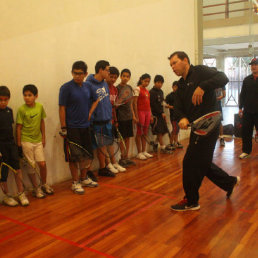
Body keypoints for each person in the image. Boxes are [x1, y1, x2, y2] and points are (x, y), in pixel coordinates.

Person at [168, 51, 240, 211]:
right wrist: (182, 119)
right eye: (171, 65)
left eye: (175, 63)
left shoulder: (200, 71)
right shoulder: (180, 85)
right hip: (197, 129)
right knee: (202, 162)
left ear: (185, 60)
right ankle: (229, 182)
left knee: (189, 162)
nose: (172, 67)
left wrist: (202, 86)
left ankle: (191, 201)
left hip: (209, 127)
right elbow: (179, 108)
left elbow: (223, 78)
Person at [59, 61, 97, 195]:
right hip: (72, 128)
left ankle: (84, 178)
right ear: (72, 73)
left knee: (87, 155)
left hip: (85, 126)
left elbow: (96, 99)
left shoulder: (87, 86)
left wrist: (90, 113)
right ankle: (75, 183)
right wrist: (64, 127)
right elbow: (62, 108)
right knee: (74, 157)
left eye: (80, 74)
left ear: (85, 74)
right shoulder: (66, 88)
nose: (77, 76)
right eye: (75, 73)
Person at [16, 84, 54, 198]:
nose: (27, 97)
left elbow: (42, 122)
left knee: (42, 164)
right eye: (25, 95)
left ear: (36, 96)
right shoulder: (21, 109)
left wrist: (43, 137)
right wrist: (19, 144)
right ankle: (36, 188)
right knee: (31, 166)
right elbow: (18, 127)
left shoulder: (40, 107)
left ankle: (44, 184)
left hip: (37, 140)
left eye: (29, 95)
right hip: (26, 141)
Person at [86, 60, 116, 177]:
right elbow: (88, 103)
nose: (109, 72)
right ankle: (87, 172)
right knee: (92, 148)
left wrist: (109, 116)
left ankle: (102, 168)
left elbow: (106, 101)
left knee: (103, 146)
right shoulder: (88, 84)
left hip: (106, 120)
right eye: (107, 70)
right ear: (100, 70)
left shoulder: (104, 84)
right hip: (95, 122)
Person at [0, 86, 29, 206]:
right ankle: (6, 196)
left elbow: (11, 128)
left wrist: (16, 146)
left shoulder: (9, 111)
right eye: (0, 100)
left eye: (5, 100)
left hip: (11, 144)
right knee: (3, 172)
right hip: (1, 147)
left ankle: (21, 193)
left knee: (17, 169)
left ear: (9, 99)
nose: (3, 102)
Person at [105, 66, 126, 173]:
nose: (113, 79)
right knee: (105, 144)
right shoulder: (103, 88)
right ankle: (108, 164)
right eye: (111, 77)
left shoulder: (115, 89)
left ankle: (114, 163)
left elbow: (114, 107)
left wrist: (116, 120)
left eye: (115, 77)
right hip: (104, 120)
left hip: (112, 120)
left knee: (111, 143)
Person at [238, 57, 258, 159]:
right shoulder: (247, 80)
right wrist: (240, 108)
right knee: (246, 132)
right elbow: (242, 95)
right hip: (248, 111)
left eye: (255, 64)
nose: (253, 66)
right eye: (252, 65)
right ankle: (246, 151)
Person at [116, 69, 136, 167]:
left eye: (127, 76)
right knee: (122, 138)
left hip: (129, 117)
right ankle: (121, 158)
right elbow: (116, 104)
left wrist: (133, 115)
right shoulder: (117, 88)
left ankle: (126, 157)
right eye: (123, 76)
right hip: (120, 117)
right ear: (120, 76)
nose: (125, 78)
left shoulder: (129, 87)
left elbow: (131, 104)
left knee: (128, 138)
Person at [149, 75, 172, 153]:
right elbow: (153, 105)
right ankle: (162, 147)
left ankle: (155, 143)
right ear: (155, 82)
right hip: (155, 115)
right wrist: (161, 112)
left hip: (161, 114)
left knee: (164, 131)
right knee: (159, 131)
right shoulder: (151, 92)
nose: (160, 84)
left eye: (161, 83)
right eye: (158, 82)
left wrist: (166, 106)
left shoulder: (161, 91)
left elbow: (162, 102)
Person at [133, 73, 153, 160]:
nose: (147, 83)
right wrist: (136, 115)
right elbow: (134, 103)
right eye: (145, 81)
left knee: (145, 132)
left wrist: (151, 115)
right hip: (140, 112)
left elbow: (149, 104)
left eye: (148, 82)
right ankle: (139, 152)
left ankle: (144, 151)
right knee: (139, 132)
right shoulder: (137, 89)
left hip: (147, 112)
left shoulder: (147, 91)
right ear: (141, 80)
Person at [165, 81, 183, 149]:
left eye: (177, 87)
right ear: (172, 87)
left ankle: (176, 142)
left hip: (179, 115)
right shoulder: (170, 96)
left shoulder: (180, 95)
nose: (176, 88)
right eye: (174, 86)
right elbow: (165, 104)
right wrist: (171, 107)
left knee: (178, 129)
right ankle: (171, 143)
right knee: (174, 129)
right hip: (173, 115)